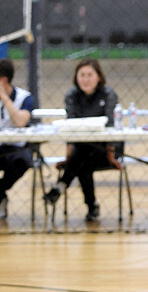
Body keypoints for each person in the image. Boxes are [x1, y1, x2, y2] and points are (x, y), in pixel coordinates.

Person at [43, 58, 121, 222]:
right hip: (80, 150)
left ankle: (61, 186)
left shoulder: (108, 94)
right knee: (83, 161)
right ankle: (92, 207)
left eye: (90, 75)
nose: (86, 79)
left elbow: (110, 127)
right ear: (76, 77)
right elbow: (70, 127)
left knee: (82, 159)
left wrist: (111, 153)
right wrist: (69, 153)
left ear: (99, 77)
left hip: (105, 149)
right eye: (82, 75)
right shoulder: (72, 95)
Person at [0, 58, 34, 220]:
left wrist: (4, 98)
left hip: (16, 148)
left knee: (23, 161)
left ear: (3, 80)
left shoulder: (24, 97)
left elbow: (21, 121)